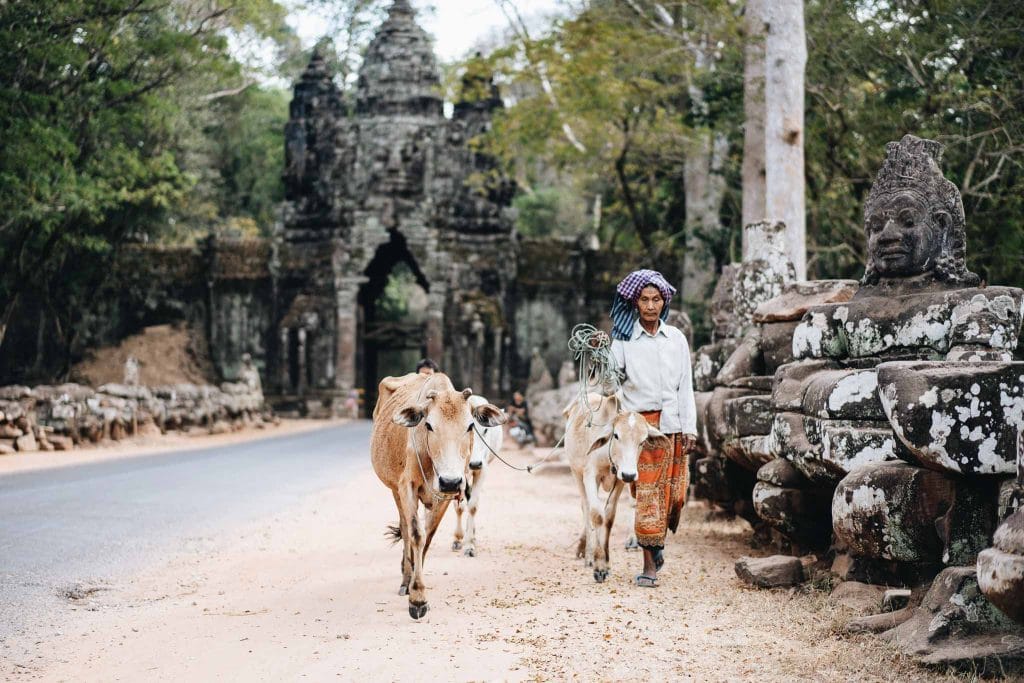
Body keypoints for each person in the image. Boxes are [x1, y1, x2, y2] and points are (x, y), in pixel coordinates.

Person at [608, 269, 697, 587]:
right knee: (647, 495)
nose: (650, 305)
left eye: (656, 299)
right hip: (639, 430)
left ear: (664, 302)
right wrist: (600, 353)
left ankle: (656, 543)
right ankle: (649, 566)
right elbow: (610, 381)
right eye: (644, 299)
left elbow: (686, 386)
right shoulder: (623, 340)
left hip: (673, 425)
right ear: (635, 303)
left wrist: (690, 429)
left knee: (675, 496)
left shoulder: (676, 339)